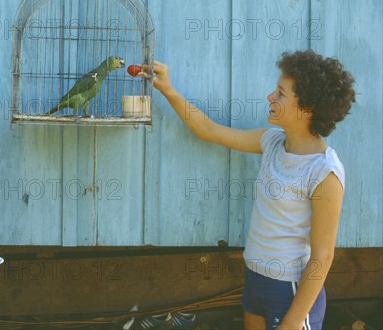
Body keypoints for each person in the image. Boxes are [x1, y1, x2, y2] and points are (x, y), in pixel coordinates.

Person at [143, 50, 355, 330]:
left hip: (290, 291)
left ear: (308, 108)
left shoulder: (324, 171)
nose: (270, 97)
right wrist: (168, 89)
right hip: (256, 279)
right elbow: (209, 130)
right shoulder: (272, 142)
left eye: (280, 93)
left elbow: (322, 257)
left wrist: (291, 323)